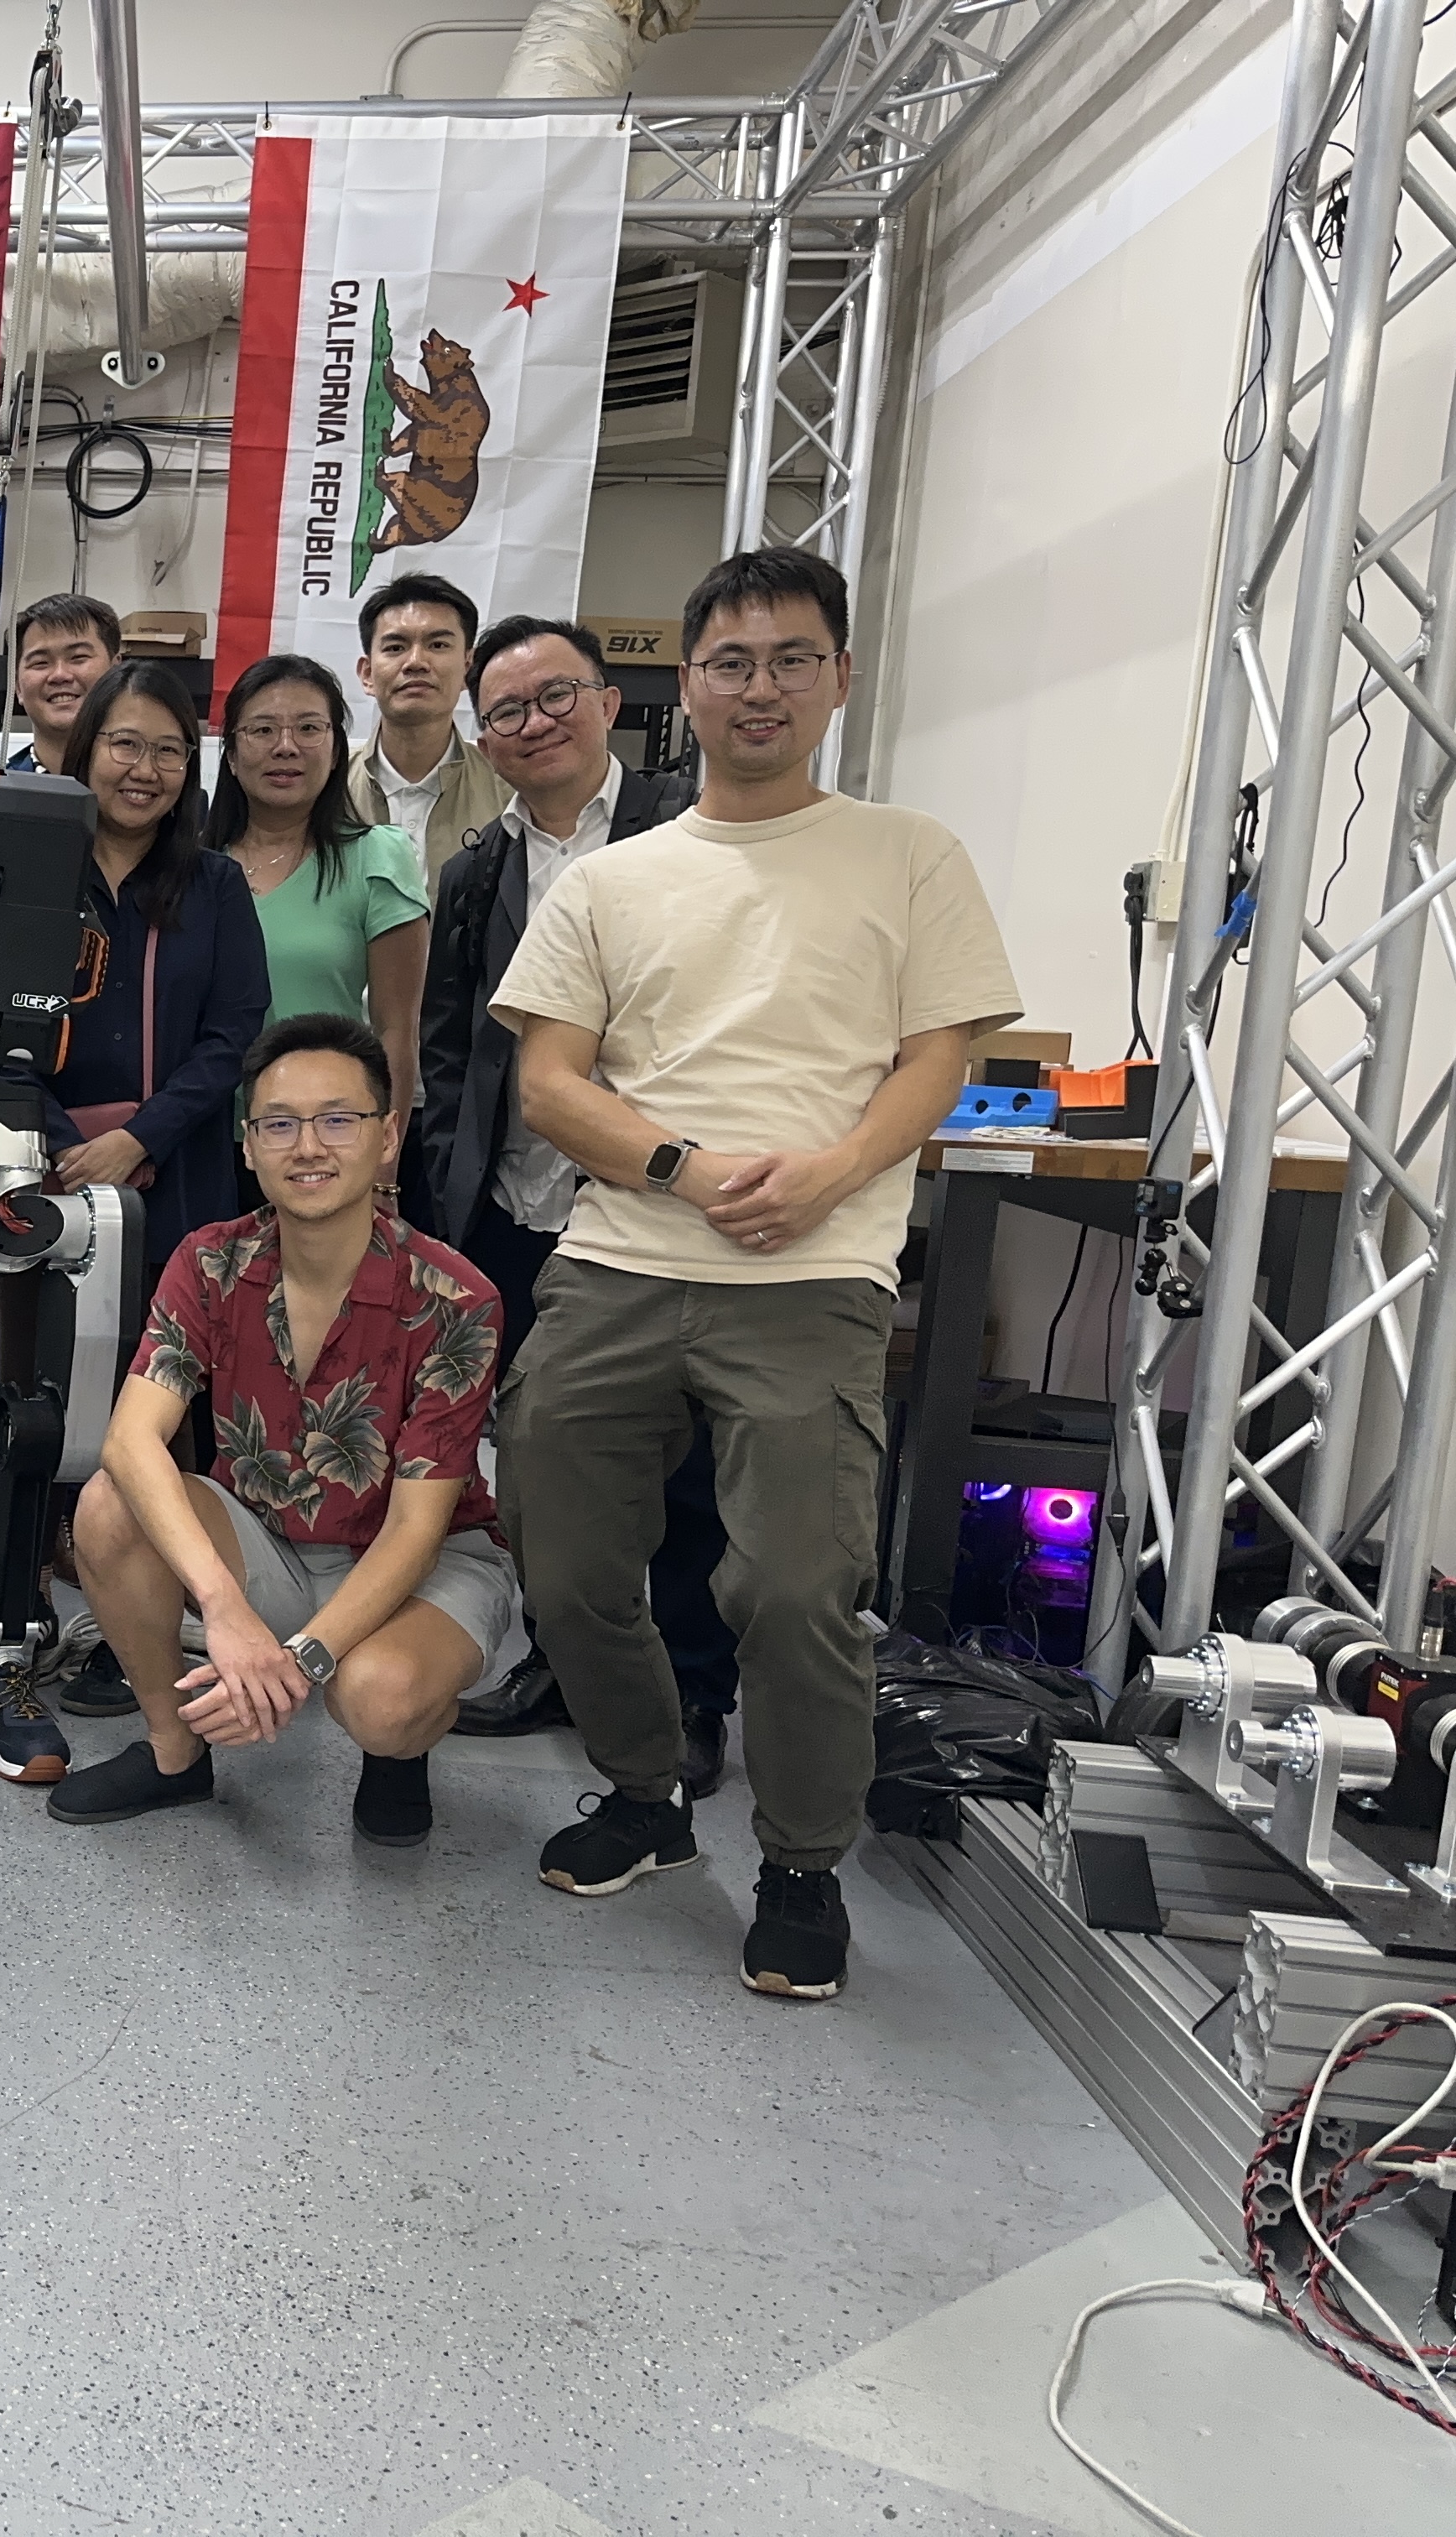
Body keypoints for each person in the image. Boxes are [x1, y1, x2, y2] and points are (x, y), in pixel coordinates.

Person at [491, 546, 1020, 2003]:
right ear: (688, 685)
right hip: (621, 1256)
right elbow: (550, 1081)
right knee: (558, 1549)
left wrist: (831, 1172)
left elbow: (935, 1062)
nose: (761, 686)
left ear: (840, 677)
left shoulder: (908, 854)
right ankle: (646, 1789)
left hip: (813, 1273)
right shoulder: (612, 881)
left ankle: (799, 1864)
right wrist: (681, 1167)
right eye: (731, 661)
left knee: (793, 1585)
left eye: (793, 658)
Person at [0, 666, 273, 1767]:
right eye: (125, 744)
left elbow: (235, 1032)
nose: (144, 769)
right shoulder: (26, 872)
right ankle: (17, 1600)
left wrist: (141, 1138)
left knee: (164, 1404)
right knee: (34, 1389)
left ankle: (139, 1626)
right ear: (83, 749)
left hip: (178, 1173)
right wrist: (61, 1138)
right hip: (40, 1170)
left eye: (168, 749)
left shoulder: (214, 884)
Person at [53, 1011, 523, 1844]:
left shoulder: (457, 1299)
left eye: (338, 1119)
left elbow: (417, 1530)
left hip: (421, 1561)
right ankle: (174, 1754)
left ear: (387, 1136)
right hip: (267, 1540)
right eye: (279, 1124)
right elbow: (130, 1440)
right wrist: (223, 1609)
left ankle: (400, 1747)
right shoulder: (209, 1261)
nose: (308, 1147)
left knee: (380, 1701)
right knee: (106, 1505)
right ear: (248, 1146)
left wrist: (300, 1662)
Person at [414, 615, 735, 1774]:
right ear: (484, 738)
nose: (535, 723)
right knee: (539, 1466)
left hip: (656, 1205)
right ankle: (562, 1665)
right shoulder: (476, 873)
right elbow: (449, 1045)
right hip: (511, 1209)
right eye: (506, 710)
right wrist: (449, 1187)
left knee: (683, 1468)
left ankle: (691, 1693)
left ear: (609, 703)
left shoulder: (695, 831)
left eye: (557, 695)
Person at [208, 653, 427, 1135]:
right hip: (199, 1136)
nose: (285, 747)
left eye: (308, 729)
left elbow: (397, 1031)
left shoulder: (377, 857)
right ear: (231, 754)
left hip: (326, 1138)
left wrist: (383, 1158)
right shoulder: (193, 868)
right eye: (262, 730)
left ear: (335, 749)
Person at [346, 573, 512, 883]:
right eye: (395, 647)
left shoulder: (510, 791)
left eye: (437, 645)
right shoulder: (325, 788)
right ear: (367, 674)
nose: (416, 662)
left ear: (468, 669)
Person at [5, 593, 121, 773]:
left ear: (116, 671)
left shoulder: (150, 783)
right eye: (40, 663)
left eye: (78, 657)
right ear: (18, 687)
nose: (59, 675)